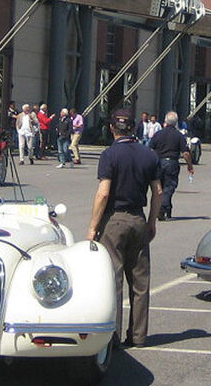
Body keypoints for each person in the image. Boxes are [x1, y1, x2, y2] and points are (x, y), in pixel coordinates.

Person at [87, 109, 163, 349]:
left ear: (112, 128)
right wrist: (152, 222)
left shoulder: (110, 154)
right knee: (140, 282)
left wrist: (93, 227)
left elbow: (104, 192)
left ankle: (113, 337)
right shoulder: (149, 155)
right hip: (138, 218)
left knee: (114, 279)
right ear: (134, 128)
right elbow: (158, 192)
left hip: (115, 219)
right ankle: (139, 335)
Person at [149, 111, 195, 221]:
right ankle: (163, 208)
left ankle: (164, 209)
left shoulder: (158, 134)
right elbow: (185, 153)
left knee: (159, 187)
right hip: (171, 163)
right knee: (169, 187)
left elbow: (150, 149)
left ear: (165, 122)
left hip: (158, 163)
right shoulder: (178, 135)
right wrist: (190, 166)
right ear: (176, 123)